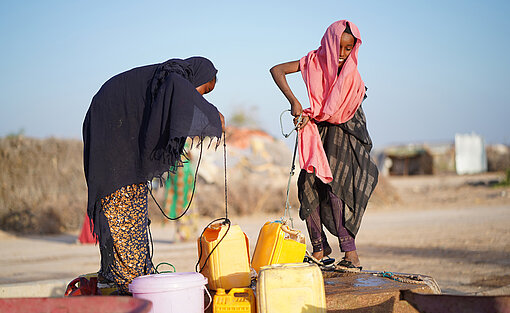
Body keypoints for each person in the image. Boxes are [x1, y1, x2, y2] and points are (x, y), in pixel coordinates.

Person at [83, 56, 225, 294]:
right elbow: (183, 96)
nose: (198, 98)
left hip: (123, 137)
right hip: (111, 134)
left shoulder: (165, 80)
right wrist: (213, 114)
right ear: (197, 79)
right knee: (121, 205)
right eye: (202, 91)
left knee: (134, 205)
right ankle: (128, 281)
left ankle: (129, 276)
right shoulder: (174, 78)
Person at [270, 20, 378, 271]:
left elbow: (340, 109)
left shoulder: (352, 74)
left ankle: (351, 254)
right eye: (339, 47)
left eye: (348, 49)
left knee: (335, 186)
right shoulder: (313, 61)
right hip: (319, 126)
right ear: (329, 42)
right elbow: (277, 70)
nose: (342, 54)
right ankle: (319, 250)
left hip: (346, 128)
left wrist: (313, 114)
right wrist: (295, 102)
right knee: (308, 184)